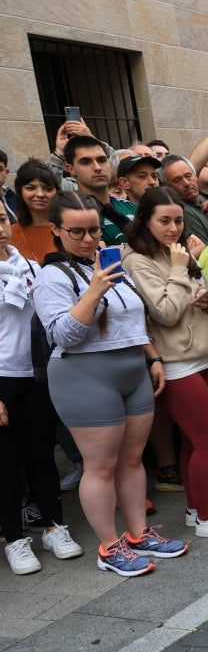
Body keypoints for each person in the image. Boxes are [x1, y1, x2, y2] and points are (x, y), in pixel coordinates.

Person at [31, 193, 188, 576]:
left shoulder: (108, 263)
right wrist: (96, 288)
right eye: (77, 231)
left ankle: (137, 534)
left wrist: (152, 358)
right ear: (54, 230)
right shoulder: (52, 276)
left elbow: (134, 319)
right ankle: (108, 546)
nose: (88, 238)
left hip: (132, 368)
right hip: (83, 374)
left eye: (93, 229)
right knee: (100, 466)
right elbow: (64, 335)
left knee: (132, 460)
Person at [122, 188, 208, 540]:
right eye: (164, 220)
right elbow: (163, 312)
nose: (174, 227)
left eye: (178, 219)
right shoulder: (137, 259)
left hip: (205, 353)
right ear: (145, 221)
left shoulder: (177, 253)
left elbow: (203, 297)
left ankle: (198, 511)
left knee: (194, 441)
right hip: (176, 362)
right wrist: (179, 271)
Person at [0, 205, 82, 574]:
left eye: (1, 220)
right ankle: (15, 539)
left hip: (36, 374)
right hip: (2, 379)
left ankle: (52, 526)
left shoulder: (31, 267)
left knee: (41, 456)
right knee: (5, 462)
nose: (0, 229)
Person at [10, 161, 59, 264]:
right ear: (20, 192)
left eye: (48, 189)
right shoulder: (8, 234)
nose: (40, 194)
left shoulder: (70, 230)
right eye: (31, 188)